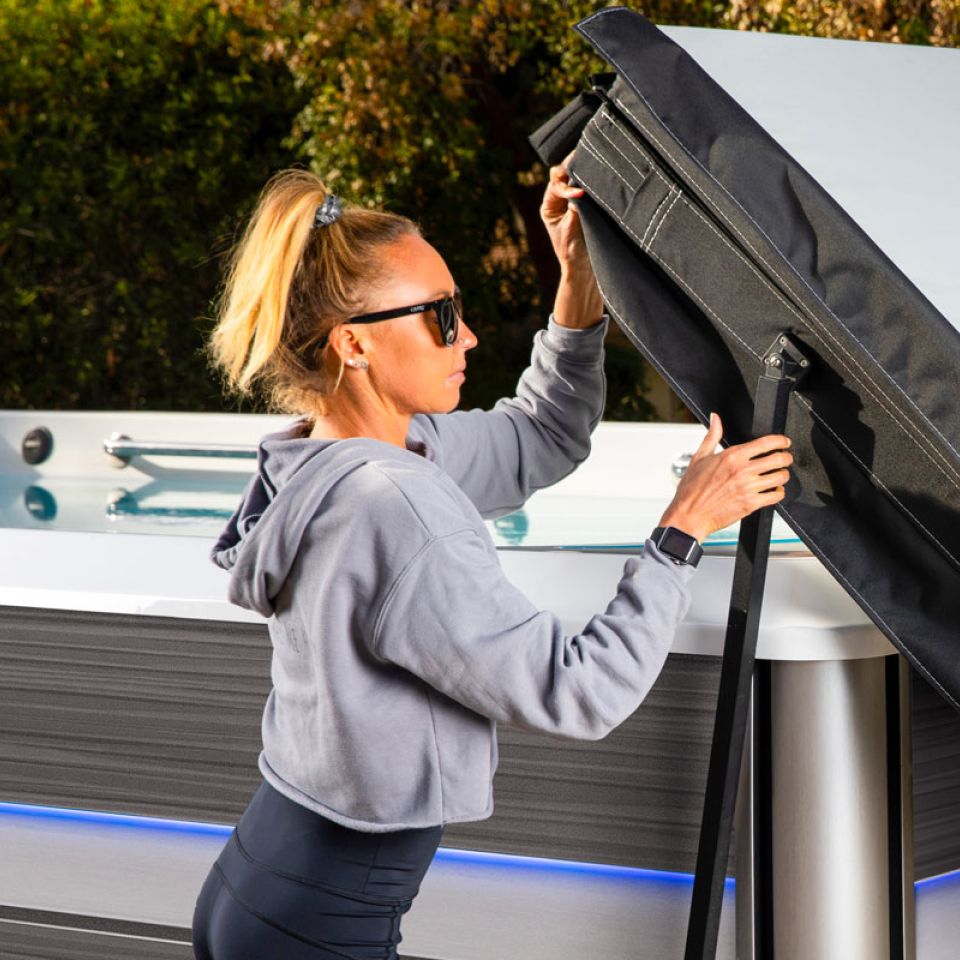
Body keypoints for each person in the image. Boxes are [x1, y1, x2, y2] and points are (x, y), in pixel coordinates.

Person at [191, 160, 792, 960]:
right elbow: (580, 692)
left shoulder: (341, 456)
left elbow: (543, 434)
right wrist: (683, 529)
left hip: (267, 882)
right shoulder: (396, 507)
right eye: (440, 317)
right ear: (354, 343)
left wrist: (577, 279)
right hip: (320, 926)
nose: (467, 335)